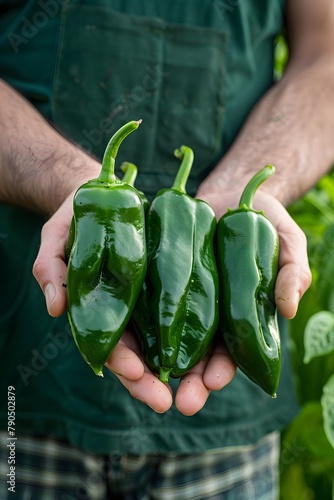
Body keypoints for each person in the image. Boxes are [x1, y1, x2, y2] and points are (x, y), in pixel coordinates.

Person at [0, 0, 333, 498]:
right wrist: (67, 179)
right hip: (20, 375)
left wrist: (253, 184)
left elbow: (325, 56)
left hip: (225, 417)